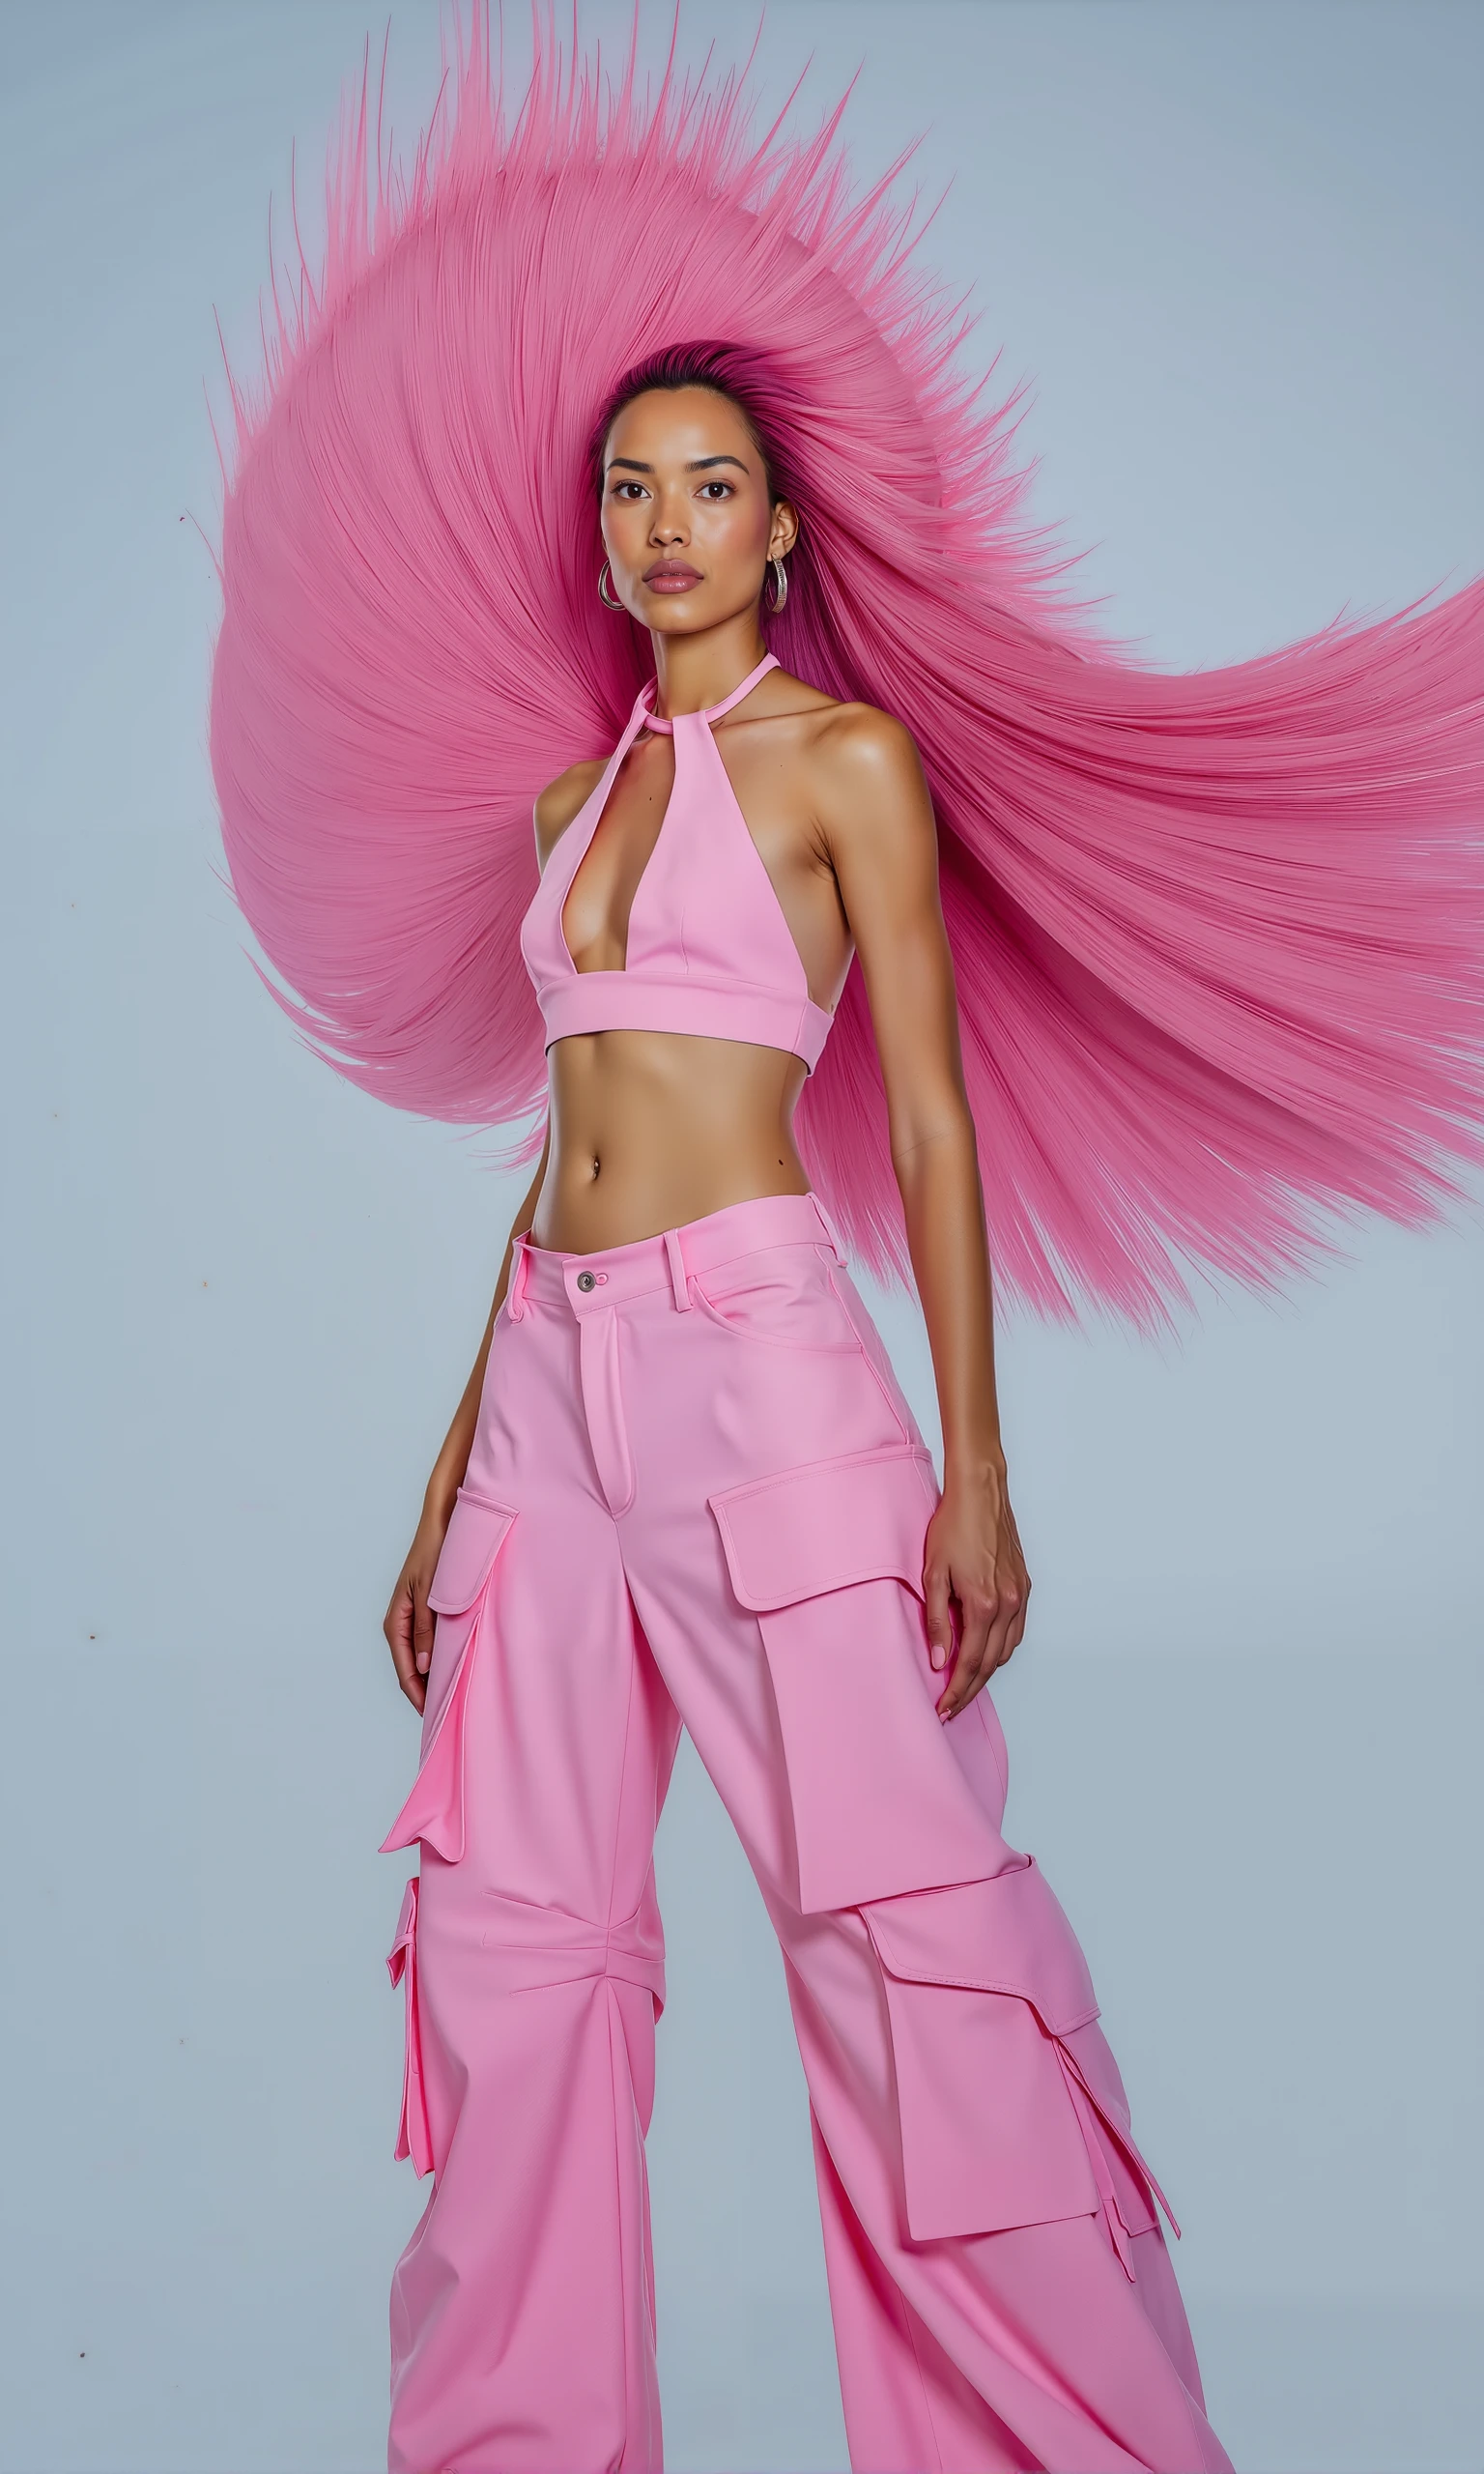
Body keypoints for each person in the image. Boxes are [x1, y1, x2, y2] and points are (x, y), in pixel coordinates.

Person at [206, 10, 1483, 2467]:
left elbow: (926, 1118)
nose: (669, 523)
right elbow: (549, 1158)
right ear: (601, 534)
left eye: (713, 486)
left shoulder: (846, 764)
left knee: (908, 1948)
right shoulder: (575, 792)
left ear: (788, 527)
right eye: (632, 490)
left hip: (761, 1372)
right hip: (553, 1400)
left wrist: (979, 1472)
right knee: (511, 1957)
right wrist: (447, 1474)